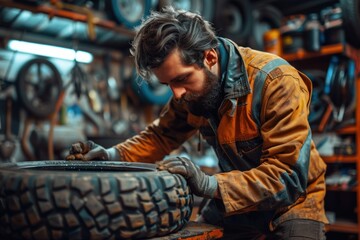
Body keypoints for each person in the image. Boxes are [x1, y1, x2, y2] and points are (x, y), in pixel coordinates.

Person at [67, 6, 328, 239]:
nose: (176, 94)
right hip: (238, 200)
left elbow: (288, 178)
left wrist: (208, 184)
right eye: (167, 84)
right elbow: (160, 136)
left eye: (180, 79)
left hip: (294, 204)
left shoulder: (275, 81)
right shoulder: (190, 93)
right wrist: (110, 157)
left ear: (210, 58)